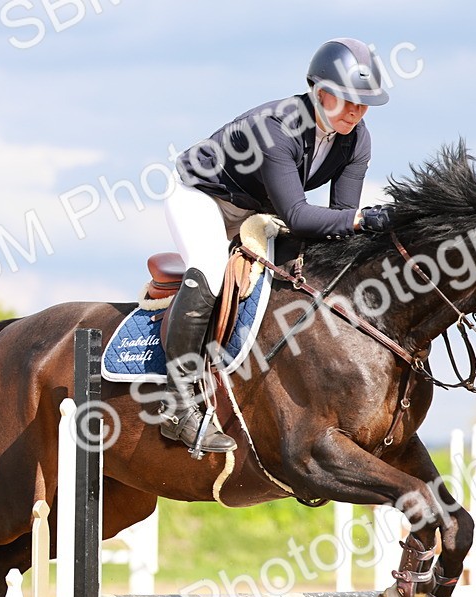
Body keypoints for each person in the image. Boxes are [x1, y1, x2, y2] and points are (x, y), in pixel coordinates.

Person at [158, 37, 393, 454]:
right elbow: (304, 217)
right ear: (320, 93)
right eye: (348, 102)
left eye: (364, 104)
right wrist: (359, 220)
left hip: (261, 207)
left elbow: (338, 219)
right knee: (211, 268)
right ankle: (179, 406)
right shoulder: (277, 128)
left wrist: (363, 227)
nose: (357, 112)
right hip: (202, 198)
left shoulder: (357, 140)